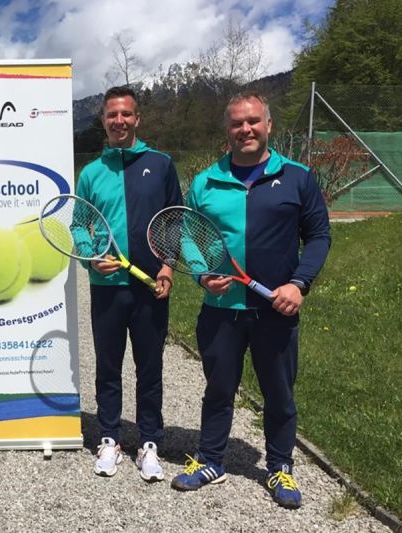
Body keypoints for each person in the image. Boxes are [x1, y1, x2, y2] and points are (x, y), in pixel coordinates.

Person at [171, 92, 331, 509]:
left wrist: (299, 284)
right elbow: (187, 234)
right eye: (237, 123)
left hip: (274, 311)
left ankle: (280, 466)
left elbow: (318, 236)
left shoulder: (297, 177)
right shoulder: (206, 182)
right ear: (227, 130)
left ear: (268, 125)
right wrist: (202, 273)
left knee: (279, 394)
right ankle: (210, 460)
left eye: (253, 121)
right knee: (218, 389)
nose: (246, 129)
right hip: (221, 312)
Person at [77, 86, 182, 480]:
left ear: (137, 118)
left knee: (149, 368)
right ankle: (109, 438)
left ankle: (149, 443)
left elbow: (174, 220)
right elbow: (78, 224)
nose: (119, 121)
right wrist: (90, 255)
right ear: (103, 120)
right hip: (106, 289)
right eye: (112, 115)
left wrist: (168, 266)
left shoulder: (162, 164)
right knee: (107, 367)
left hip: (150, 287)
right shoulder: (91, 173)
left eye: (126, 114)